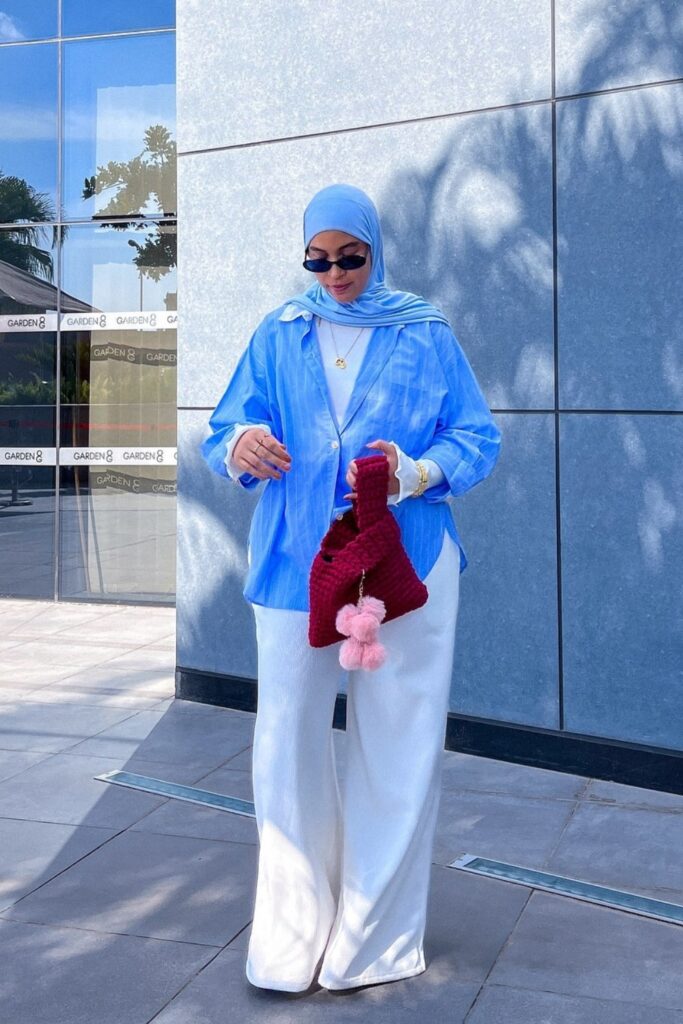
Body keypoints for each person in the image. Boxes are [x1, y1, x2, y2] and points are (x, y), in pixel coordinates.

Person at [200, 183, 502, 992]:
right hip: (297, 560)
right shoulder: (279, 331)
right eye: (317, 259)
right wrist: (241, 446)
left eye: (350, 257)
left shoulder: (423, 330)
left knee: (398, 745)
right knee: (286, 743)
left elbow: (475, 435)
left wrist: (421, 471)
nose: (334, 274)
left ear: (375, 247)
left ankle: (374, 939)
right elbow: (223, 428)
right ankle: (292, 935)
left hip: (407, 564)